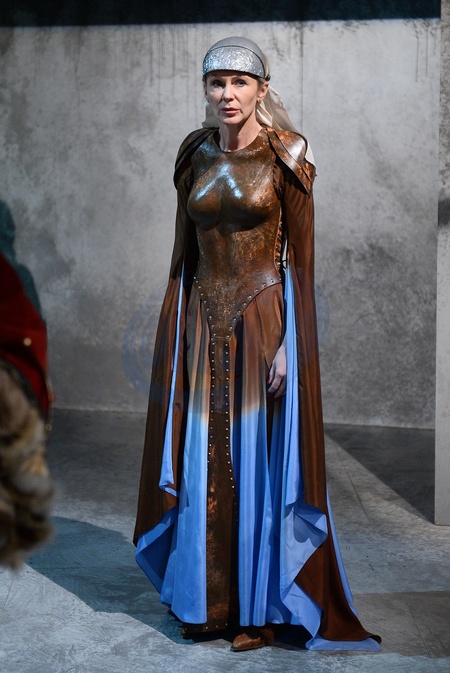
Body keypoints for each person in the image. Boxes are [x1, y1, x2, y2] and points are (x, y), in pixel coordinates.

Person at [134, 37, 380, 652]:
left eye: (240, 82)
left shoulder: (288, 154)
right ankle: (205, 601)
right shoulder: (192, 154)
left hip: (264, 320)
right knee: (203, 458)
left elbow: (303, 262)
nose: (228, 94)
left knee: (255, 464)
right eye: (217, 83)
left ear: (262, 89)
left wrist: (293, 344)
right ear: (206, 89)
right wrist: (175, 328)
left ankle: (257, 608)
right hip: (201, 322)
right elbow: (183, 253)